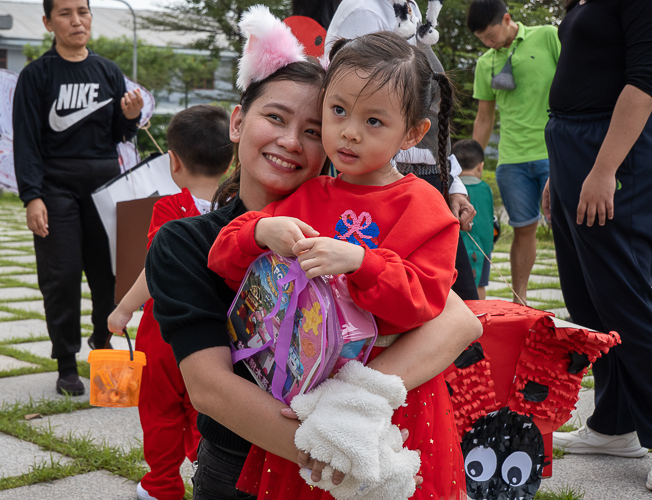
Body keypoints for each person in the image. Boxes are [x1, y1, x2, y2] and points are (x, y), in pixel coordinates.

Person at [146, 7, 481, 500]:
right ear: (237, 121)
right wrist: (263, 231)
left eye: (310, 128)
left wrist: (363, 263)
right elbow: (210, 381)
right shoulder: (274, 213)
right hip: (273, 438)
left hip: (386, 410)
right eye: (337, 114)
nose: (346, 132)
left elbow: (450, 310)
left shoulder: (420, 205)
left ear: (411, 133)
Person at [542, 0, 652, 491]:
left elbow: (644, 80)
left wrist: (604, 169)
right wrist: (558, 174)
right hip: (570, 146)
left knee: (627, 298)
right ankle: (613, 423)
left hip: (609, 147)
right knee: (585, 298)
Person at [12, 0, 142, 396]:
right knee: (62, 275)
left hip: (105, 185)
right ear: (48, 22)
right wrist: (32, 196)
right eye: (65, 13)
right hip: (55, 188)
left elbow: (121, 134)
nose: (76, 20)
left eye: (82, 11)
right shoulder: (36, 75)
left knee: (110, 276)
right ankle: (66, 362)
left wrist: (131, 116)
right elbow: (27, 142)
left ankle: (101, 344)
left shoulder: (107, 71)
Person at [107, 105, 233, 500]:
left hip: (163, 333)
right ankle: (206, 476)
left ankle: (161, 485)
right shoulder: (235, 211)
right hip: (218, 334)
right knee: (207, 408)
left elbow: (157, 271)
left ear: (173, 161)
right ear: (231, 159)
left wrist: (124, 308)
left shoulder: (169, 209)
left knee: (159, 411)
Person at [325, 0, 480, 302]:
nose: (350, 131)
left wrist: (451, 184)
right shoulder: (365, 11)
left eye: (371, 121)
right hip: (384, 181)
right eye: (338, 112)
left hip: (420, 184)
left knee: (459, 304)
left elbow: (422, 298)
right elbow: (360, 101)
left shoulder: (411, 9)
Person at [468, 0, 560, 305]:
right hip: (512, 161)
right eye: (482, 40)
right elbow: (484, 117)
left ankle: (586, 298)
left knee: (570, 230)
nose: (488, 43)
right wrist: (471, 162)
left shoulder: (548, 35)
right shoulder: (486, 63)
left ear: (507, 19)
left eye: (490, 36)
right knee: (522, 230)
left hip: (554, 154)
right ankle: (520, 301)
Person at [454, 140, 494, 300]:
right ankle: (480, 320)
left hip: (457, 248)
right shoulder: (485, 188)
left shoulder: (451, 190)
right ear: (480, 166)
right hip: (483, 247)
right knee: (479, 286)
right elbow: (489, 220)